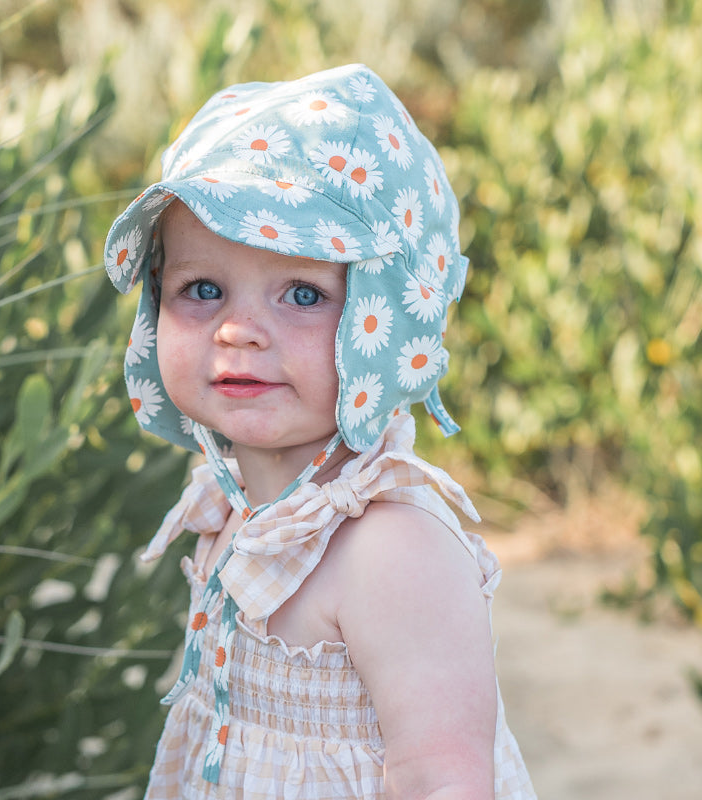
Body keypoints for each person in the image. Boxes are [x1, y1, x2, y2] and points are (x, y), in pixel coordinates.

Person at [104, 63, 536, 800]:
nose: (238, 330)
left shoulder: (392, 550)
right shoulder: (236, 507)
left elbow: (442, 782)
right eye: (201, 289)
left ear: (387, 320)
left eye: (303, 294)